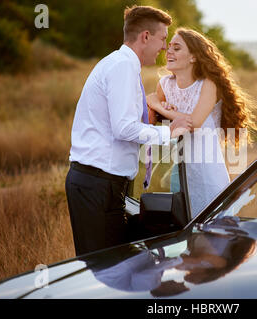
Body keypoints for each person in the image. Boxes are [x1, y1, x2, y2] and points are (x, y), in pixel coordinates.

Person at [65, 6, 192, 256]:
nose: (165, 47)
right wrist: (170, 133)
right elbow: (123, 128)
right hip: (97, 184)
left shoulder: (123, 65)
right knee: (105, 268)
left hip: (100, 184)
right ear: (145, 36)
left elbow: (121, 121)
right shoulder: (122, 67)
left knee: (111, 265)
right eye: (163, 38)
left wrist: (153, 117)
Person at [146, 28, 257, 217]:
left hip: (208, 173)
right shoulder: (164, 85)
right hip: (179, 171)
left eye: (177, 48)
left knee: (211, 233)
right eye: (169, 47)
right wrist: (159, 109)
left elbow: (194, 123)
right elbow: (156, 124)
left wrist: (157, 104)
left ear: (193, 57)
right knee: (182, 232)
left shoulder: (207, 84)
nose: (169, 51)